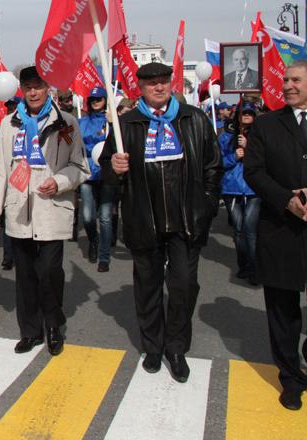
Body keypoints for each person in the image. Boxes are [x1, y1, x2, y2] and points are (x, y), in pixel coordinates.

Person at [100, 61, 222, 383]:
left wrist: (207, 206)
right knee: (148, 289)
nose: (158, 87)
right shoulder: (126, 124)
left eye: (163, 81)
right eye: (151, 82)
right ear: (140, 87)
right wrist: (113, 166)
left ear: (171, 82)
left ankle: (176, 347)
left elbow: (213, 166)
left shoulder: (193, 119)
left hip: (186, 223)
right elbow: (108, 176)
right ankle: (153, 346)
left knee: (183, 286)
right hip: (144, 222)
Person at [0, 66, 90, 355]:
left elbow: (80, 167)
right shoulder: (9, 124)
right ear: (22, 90)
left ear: (48, 88)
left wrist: (59, 182)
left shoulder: (65, 124)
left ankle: (53, 325)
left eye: (38, 86)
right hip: (19, 212)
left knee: (50, 272)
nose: (33, 92)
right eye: (28, 87)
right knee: (26, 276)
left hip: (52, 210)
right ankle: (30, 331)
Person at [243, 60, 307, 410]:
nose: (287, 85)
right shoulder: (267, 124)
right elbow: (253, 171)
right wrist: (287, 200)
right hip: (281, 229)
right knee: (283, 309)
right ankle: (290, 377)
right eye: (285, 80)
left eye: (295, 80)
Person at [219, 102, 260, 285]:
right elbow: (218, 162)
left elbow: (267, 159)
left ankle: (254, 269)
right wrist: (234, 156)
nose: (246, 117)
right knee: (238, 230)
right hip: (232, 188)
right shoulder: (226, 136)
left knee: (251, 231)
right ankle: (243, 265)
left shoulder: (261, 136)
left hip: (253, 190)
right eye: (244, 113)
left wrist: (249, 148)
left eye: (250, 114)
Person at [78, 86, 116, 270]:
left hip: (108, 173)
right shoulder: (81, 122)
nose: (96, 103)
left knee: (106, 218)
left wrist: (113, 125)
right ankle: (93, 240)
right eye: (93, 100)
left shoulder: (113, 121)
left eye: (99, 99)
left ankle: (104, 257)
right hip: (87, 173)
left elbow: (120, 143)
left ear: (105, 100)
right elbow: (69, 140)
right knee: (87, 216)